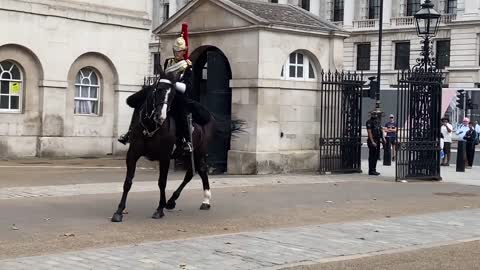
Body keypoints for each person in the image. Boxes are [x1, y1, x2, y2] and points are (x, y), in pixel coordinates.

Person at [118, 24, 200, 157]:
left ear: (184, 51)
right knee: (141, 103)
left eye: (179, 51)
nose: (177, 53)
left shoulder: (187, 65)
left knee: (181, 111)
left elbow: (188, 87)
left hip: (177, 93)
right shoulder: (168, 62)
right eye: (175, 50)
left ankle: (185, 140)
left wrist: (174, 84)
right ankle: (130, 132)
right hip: (164, 90)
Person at [366, 111, 384, 176]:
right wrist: (372, 141)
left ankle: (374, 169)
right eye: (374, 114)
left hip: (378, 140)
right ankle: (371, 170)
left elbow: (381, 130)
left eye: (376, 114)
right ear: (371, 115)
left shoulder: (377, 122)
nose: (375, 115)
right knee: (372, 155)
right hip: (373, 140)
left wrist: (383, 138)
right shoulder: (369, 122)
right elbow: (369, 132)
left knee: (376, 155)